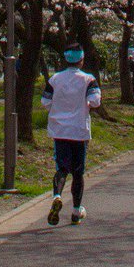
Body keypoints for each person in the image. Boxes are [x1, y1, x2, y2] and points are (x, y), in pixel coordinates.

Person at [42, 46, 101, 226]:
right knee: (78, 172)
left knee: (62, 168)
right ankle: (76, 211)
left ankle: (57, 195)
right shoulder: (88, 80)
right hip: (79, 131)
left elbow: (45, 102)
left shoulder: (55, 79)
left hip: (60, 131)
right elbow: (95, 101)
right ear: (81, 60)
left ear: (66, 60)